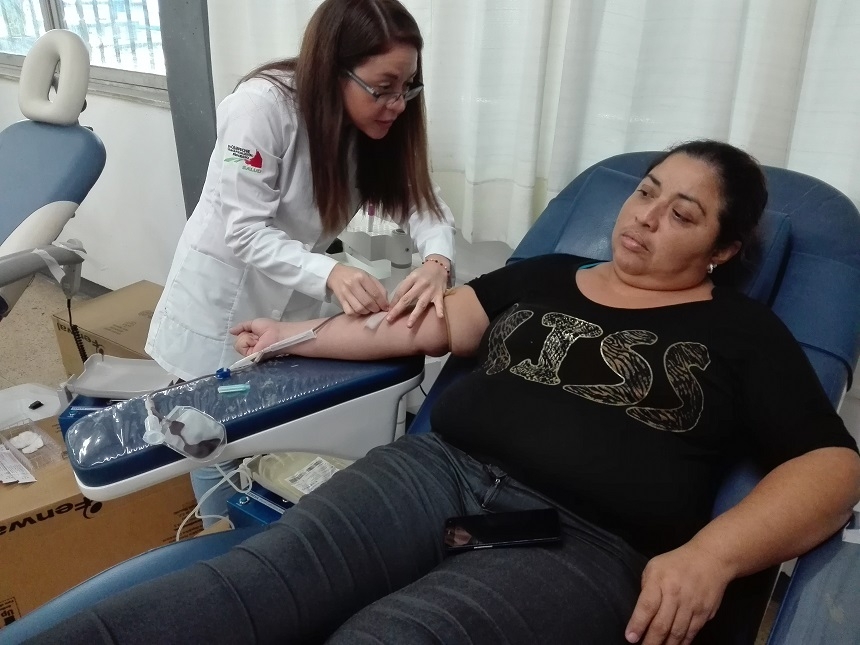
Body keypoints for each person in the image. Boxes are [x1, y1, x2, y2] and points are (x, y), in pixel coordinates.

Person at [36, 140, 860, 645]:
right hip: (433, 473)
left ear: (723, 249)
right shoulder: (547, 275)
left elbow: (832, 467)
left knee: (393, 637)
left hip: (581, 543)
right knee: (245, 588)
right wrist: (296, 335)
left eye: (683, 213)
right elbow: (421, 326)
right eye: (647, 190)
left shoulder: (743, 334)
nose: (645, 216)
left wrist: (711, 557)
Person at [145, 0, 456, 522]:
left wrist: (437, 263)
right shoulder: (262, 108)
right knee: (208, 431)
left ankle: (260, 524)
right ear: (336, 69)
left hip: (290, 300)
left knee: (273, 422)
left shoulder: (376, 126)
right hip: (222, 296)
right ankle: (217, 531)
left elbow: (424, 204)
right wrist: (333, 273)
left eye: (407, 87)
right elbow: (244, 230)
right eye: (383, 88)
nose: (397, 104)